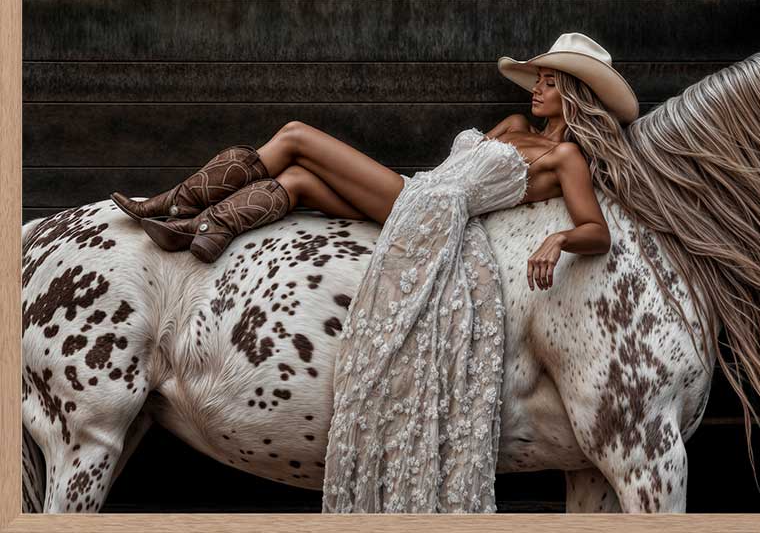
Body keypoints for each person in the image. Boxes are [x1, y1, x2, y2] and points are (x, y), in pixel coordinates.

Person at [110, 31, 639, 511]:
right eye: (538, 79)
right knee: (299, 182)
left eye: (550, 82)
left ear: (575, 94)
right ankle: (204, 228)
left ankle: (175, 203)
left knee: (296, 137)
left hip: (434, 215)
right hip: (420, 194)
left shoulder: (566, 158)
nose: (536, 89)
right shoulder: (517, 126)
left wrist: (557, 239)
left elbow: (596, 229)